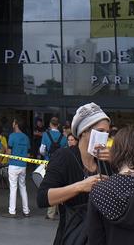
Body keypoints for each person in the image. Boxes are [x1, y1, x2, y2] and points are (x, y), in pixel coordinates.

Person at [37, 102, 113, 245]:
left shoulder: (105, 162)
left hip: (102, 237)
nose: (105, 137)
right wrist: (80, 186)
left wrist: (116, 161)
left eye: (107, 133)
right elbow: (42, 198)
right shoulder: (64, 157)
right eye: (100, 131)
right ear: (84, 131)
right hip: (74, 236)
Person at [7, 118, 32, 218]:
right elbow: (28, 153)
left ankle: (12, 211)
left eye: (13, 122)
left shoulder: (12, 136)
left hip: (13, 165)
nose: (12, 123)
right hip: (23, 166)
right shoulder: (26, 137)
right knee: (23, 187)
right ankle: (26, 211)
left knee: (13, 188)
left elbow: (9, 152)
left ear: (16, 124)